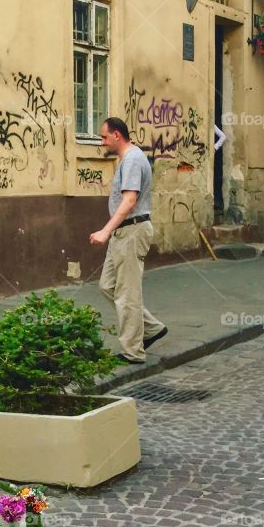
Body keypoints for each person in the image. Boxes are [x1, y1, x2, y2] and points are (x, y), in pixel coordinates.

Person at [89, 116, 168, 364]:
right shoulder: (128, 158)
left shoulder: (133, 159)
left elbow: (129, 201)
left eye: (103, 137)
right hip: (123, 232)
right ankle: (151, 328)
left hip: (131, 231)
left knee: (127, 293)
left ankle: (133, 351)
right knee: (108, 286)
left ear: (117, 135)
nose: (102, 142)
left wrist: (105, 230)